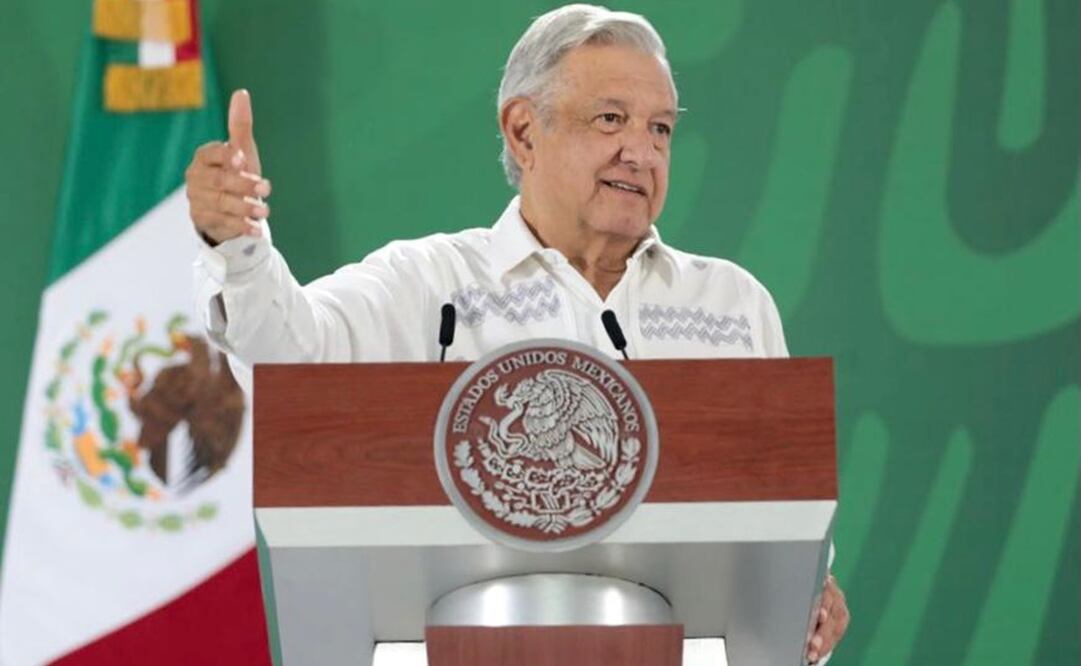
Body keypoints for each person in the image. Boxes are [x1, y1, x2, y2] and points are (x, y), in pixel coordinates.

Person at [185, 5, 850, 661]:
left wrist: (811, 591)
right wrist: (239, 246)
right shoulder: (430, 283)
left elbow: (782, 520)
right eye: (610, 119)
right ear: (524, 132)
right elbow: (290, 353)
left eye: (660, 130)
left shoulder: (731, 305)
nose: (641, 152)